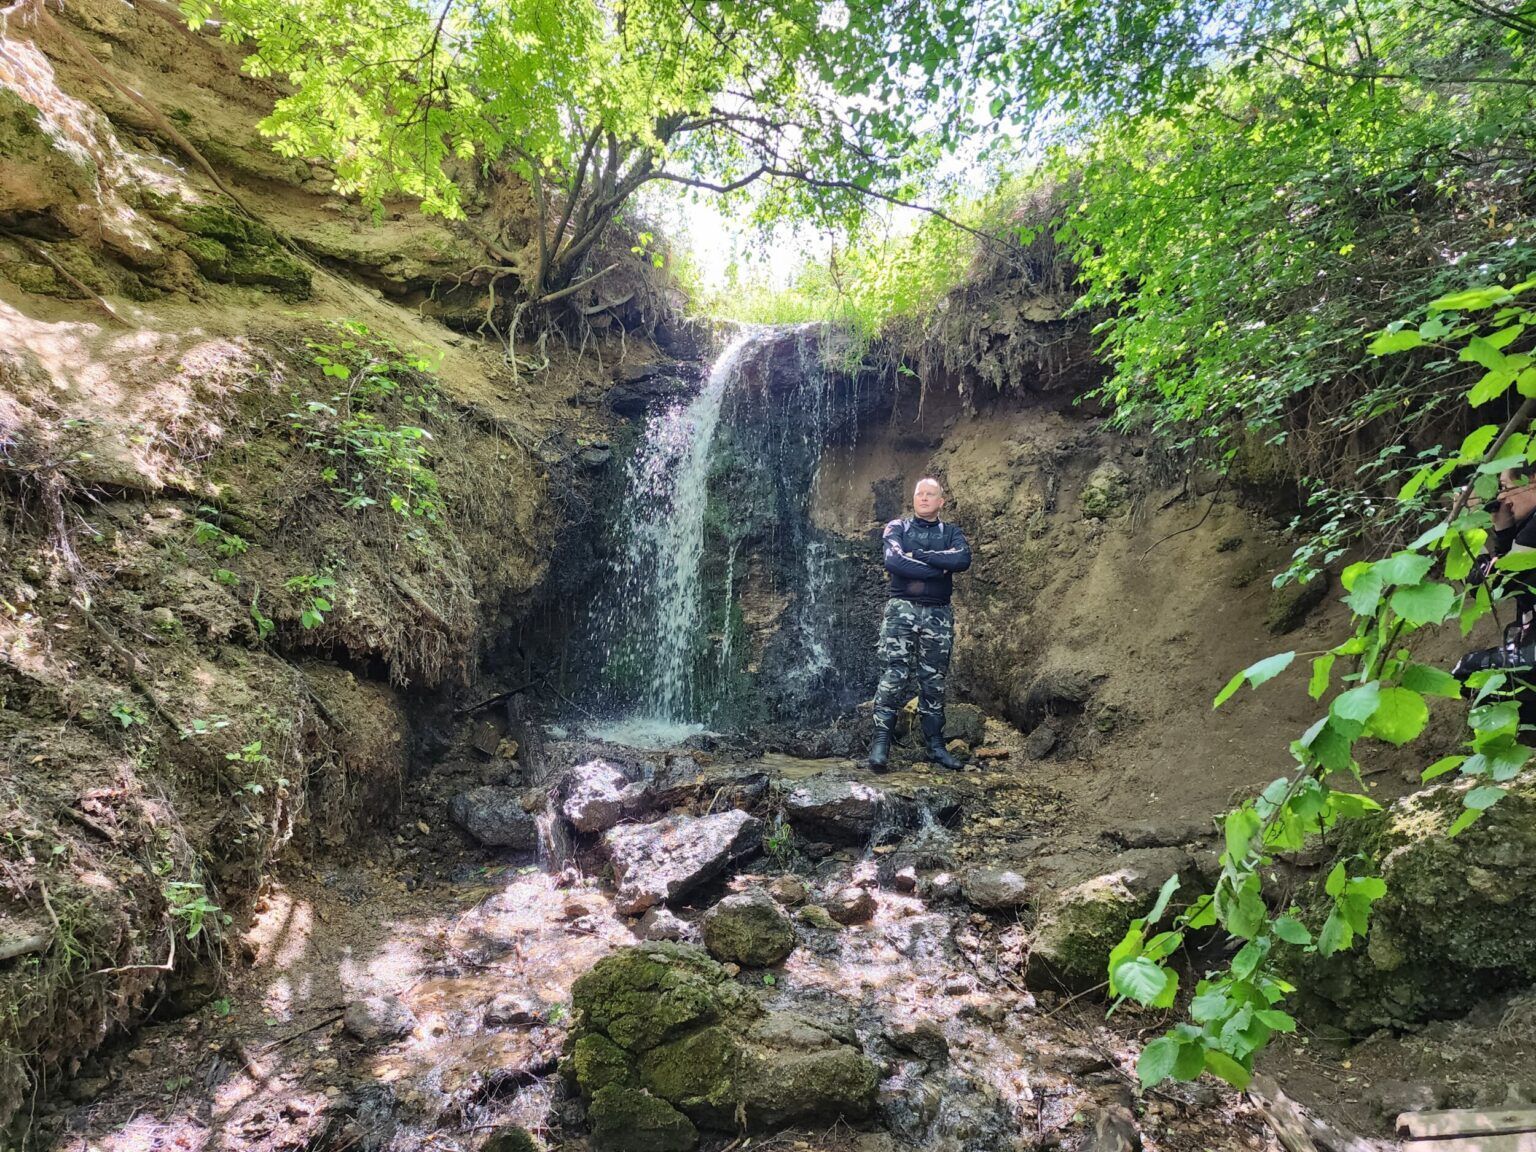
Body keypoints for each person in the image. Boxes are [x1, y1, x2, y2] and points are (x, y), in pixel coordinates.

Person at [867, 477, 972, 771]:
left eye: (930, 494)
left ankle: (936, 748)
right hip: (902, 610)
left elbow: (962, 559)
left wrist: (921, 557)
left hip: (938, 614)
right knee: (894, 674)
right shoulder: (897, 527)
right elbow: (895, 562)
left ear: (941, 501)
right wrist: (939, 568)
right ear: (913, 499)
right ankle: (880, 747)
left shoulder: (951, 532)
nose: (923, 498)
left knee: (934, 680)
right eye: (919, 494)